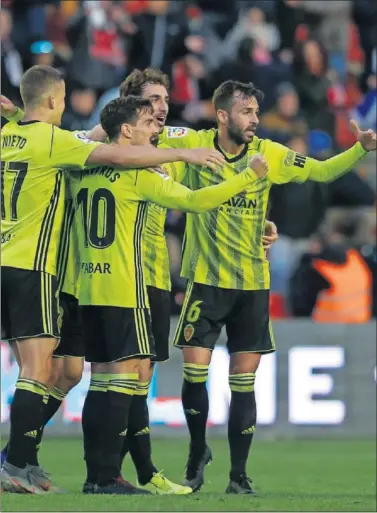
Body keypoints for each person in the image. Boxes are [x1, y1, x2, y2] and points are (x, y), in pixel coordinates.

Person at [0, 64, 226, 495]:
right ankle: (22, 463)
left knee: (67, 372)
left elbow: (65, 136)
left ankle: (25, 459)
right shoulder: (62, 144)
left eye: (163, 101)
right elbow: (118, 153)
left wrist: (15, 118)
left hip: (40, 269)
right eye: (150, 103)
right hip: (58, 271)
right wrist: (191, 156)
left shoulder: (30, 141)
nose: (159, 110)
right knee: (50, 371)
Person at [161, 80, 375, 494]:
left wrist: (360, 149)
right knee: (195, 373)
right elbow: (153, 143)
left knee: (244, 380)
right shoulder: (195, 147)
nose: (255, 120)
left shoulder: (269, 153)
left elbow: (321, 170)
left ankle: (238, 477)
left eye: (257, 112)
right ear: (222, 116)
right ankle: (197, 449)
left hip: (252, 285)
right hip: (205, 281)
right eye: (246, 112)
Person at [74, 95, 269, 495]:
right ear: (126, 131)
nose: (155, 130)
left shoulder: (81, 164)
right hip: (126, 287)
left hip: (85, 286)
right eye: (147, 122)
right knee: (123, 381)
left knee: (101, 381)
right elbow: (195, 201)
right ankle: (108, 476)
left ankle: (96, 476)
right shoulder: (140, 174)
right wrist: (247, 178)